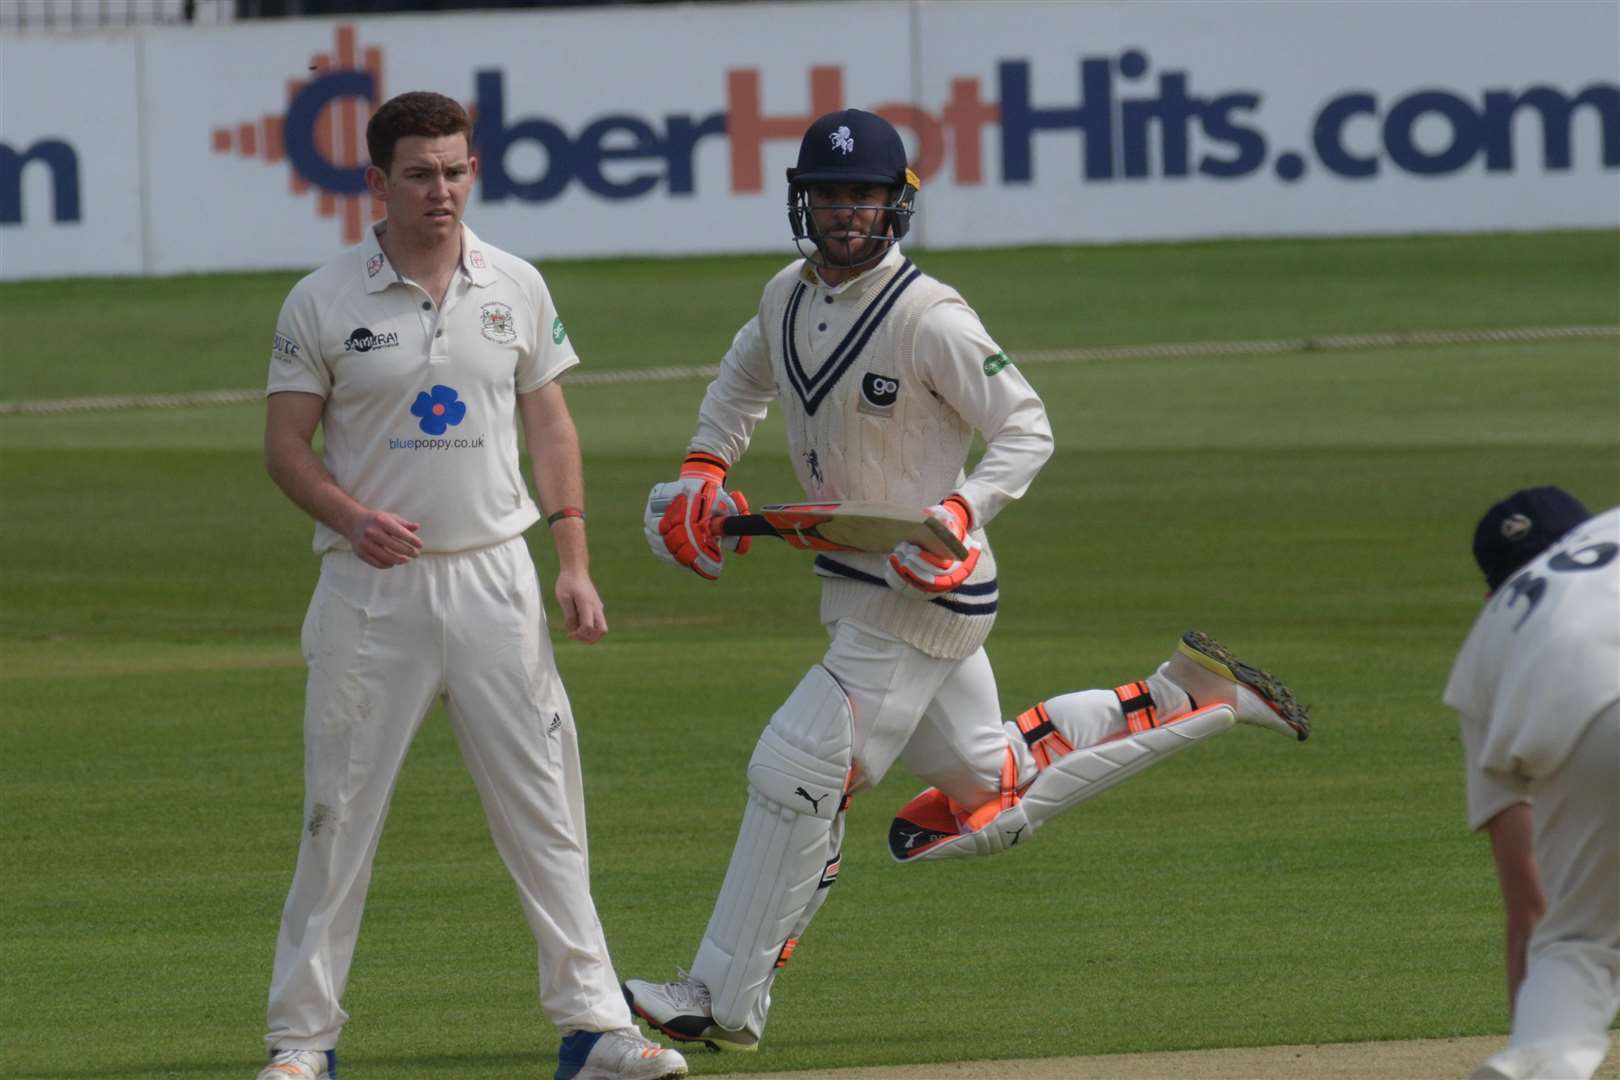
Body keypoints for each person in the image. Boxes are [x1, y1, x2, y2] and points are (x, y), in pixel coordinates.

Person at [623, 108, 1311, 1054]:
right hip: (858, 572)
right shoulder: (783, 294)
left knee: (798, 771)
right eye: (828, 196)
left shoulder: (928, 317)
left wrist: (961, 509)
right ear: (801, 200)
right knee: (986, 781)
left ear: (896, 205)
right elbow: (743, 377)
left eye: (863, 196)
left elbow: (1027, 426)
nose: (844, 215)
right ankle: (1191, 697)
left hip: (926, 586)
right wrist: (706, 463)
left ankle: (721, 997)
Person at [256, 91, 685, 1080]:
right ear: (375, 182)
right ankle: (302, 1043)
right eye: (418, 173)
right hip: (372, 592)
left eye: (454, 171)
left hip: (498, 578)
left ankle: (592, 1027)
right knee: (339, 816)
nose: (439, 191)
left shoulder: (515, 286)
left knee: (546, 806)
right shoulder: (324, 300)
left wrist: (573, 563)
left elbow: (552, 429)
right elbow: (286, 447)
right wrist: (352, 518)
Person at [1443, 486, 1620, 1080]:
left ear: (1494, 590)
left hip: (1574, 722)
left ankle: (1539, 1063)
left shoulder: (1487, 641)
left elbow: (1530, 903)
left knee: (1575, 945)